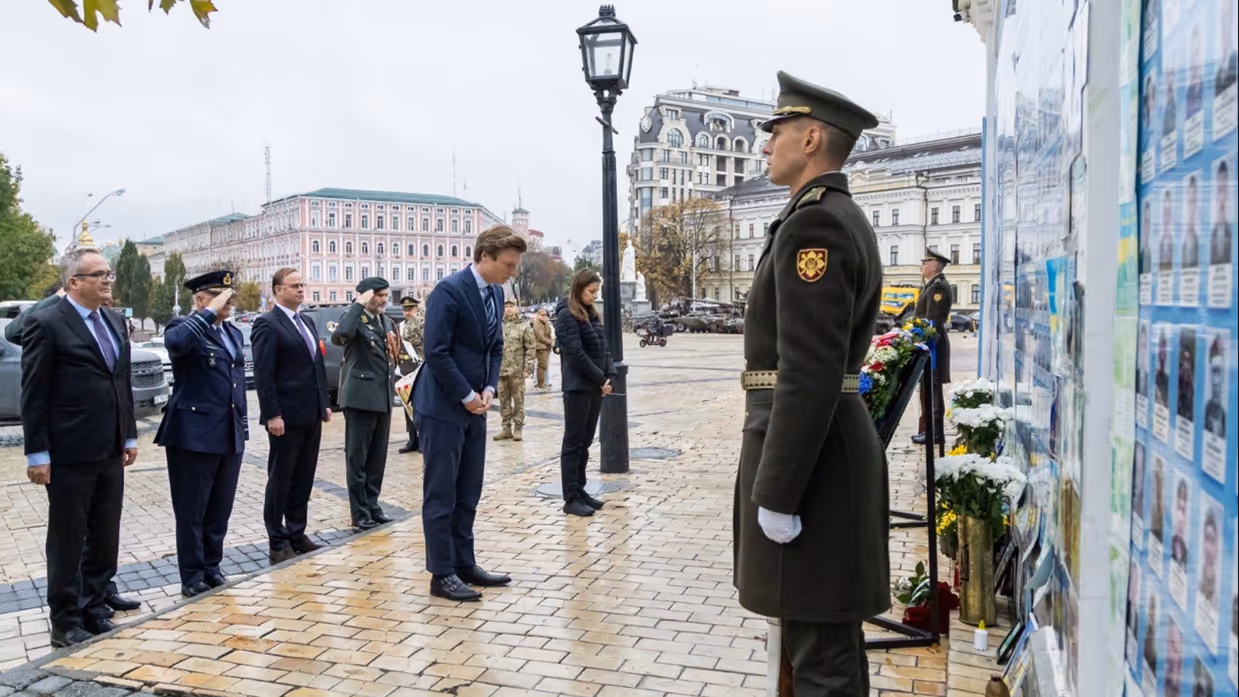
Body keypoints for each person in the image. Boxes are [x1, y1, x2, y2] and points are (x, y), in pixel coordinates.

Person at [734, 70, 886, 694]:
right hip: (820, 456)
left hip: (813, 465)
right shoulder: (819, 216)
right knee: (820, 642)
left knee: (820, 655)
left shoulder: (815, 226)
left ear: (813, 138)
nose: (766, 145)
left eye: (777, 132)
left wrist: (778, 490)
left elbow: (808, 370)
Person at [20, 248, 138, 647]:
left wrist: (130, 434)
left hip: (109, 447)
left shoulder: (115, 321)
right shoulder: (47, 322)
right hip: (68, 451)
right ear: (74, 283)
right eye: (98, 274)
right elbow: (33, 393)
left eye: (109, 273)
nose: (108, 280)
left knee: (105, 533)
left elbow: (121, 381)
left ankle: (93, 607)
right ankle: (65, 620)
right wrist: (37, 454)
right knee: (69, 536)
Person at [412, 225, 526, 601]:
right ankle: (441, 573)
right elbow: (437, 352)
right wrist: (465, 395)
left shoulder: (494, 292)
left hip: (477, 406)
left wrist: (490, 388)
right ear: (485, 257)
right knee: (441, 494)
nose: (512, 272)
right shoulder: (450, 291)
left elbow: (495, 347)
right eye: (508, 264)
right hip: (444, 407)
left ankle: (465, 563)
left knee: (468, 492)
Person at [154, 270, 247, 597]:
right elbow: (177, 345)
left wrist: (243, 427)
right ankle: (192, 574)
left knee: (220, 507)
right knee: (192, 510)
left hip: (228, 432)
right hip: (192, 434)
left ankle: (212, 565)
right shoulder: (183, 328)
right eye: (219, 297)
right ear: (200, 299)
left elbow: (237, 385)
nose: (228, 302)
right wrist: (207, 314)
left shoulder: (232, 333)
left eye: (229, 297)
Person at [252, 268, 331, 564]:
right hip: (285, 417)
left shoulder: (306, 321)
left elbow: (316, 366)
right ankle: (277, 539)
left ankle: (297, 532)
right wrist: (272, 414)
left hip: (311, 413)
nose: (301, 290)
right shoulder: (267, 324)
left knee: (304, 477)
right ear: (278, 290)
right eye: (294, 285)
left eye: (302, 285)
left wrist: (324, 402)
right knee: (281, 478)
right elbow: (264, 374)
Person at [332, 277, 398, 530]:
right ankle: (359, 513)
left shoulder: (384, 320)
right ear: (364, 296)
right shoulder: (354, 318)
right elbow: (341, 336)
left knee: (376, 458)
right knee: (357, 459)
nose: (383, 300)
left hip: (381, 396)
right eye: (378, 295)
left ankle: (372, 505)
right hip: (360, 398)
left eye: (385, 295)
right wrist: (357, 306)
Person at [554, 270, 615, 517]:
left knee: (586, 443)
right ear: (578, 288)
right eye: (591, 291)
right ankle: (570, 498)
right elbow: (576, 355)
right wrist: (601, 379)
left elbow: (604, 348)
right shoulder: (567, 316)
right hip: (578, 388)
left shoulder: (591, 315)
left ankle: (580, 490)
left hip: (595, 388)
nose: (595, 295)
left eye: (597, 291)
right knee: (574, 443)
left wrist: (610, 374)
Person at [912, 249, 954, 445]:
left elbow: (933, 321)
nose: (922, 265)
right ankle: (931, 432)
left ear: (934, 265)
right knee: (929, 391)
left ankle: (935, 434)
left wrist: (925, 346)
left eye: (925, 262)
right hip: (931, 344)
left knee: (933, 390)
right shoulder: (932, 285)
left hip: (934, 346)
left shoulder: (939, 287)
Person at [494, 298, 536, 442]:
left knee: (518, 401)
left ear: (517, 308)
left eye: (512, 306)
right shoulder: (499, 326)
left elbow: (530, 348)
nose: (509, 309)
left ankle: (518, 427)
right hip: (501, 371)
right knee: (503, 400)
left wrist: (528, 368)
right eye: (506, 306)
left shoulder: (524, 326)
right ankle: (506, 428)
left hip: (517, 371)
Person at [399, 296, 424, 454]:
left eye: (410, 309)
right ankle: (412, 438)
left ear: (416, 309)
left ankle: (423, 438)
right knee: (407, 406)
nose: (407, 313)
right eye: (405, 310)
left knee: (420, 406)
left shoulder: (423, 324)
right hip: (405, 369)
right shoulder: (400, 326)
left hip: (420, 367)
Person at [532, 307, 555, 389]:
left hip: (546, 347)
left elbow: (548, 334)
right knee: (542, 366)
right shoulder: (537, 324)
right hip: (541, 347)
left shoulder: (545, 323)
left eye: (545, 315)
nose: (544, 316)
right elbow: (540, 337)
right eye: (542, 315)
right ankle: (540, 383)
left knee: (544, 366)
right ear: (538, 315)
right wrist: (550, 342)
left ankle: (543, 382)